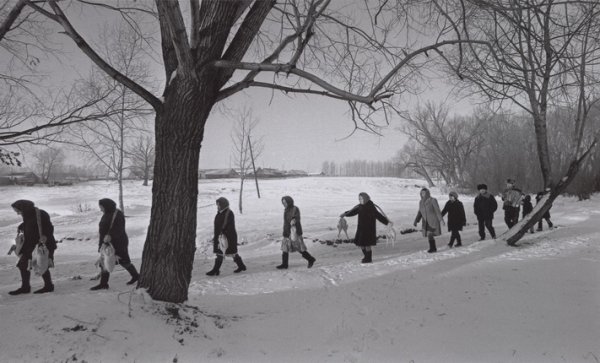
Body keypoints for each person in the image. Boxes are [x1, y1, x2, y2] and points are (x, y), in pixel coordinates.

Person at [9, 200, 57, 295]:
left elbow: (49, 227)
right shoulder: (27, 215)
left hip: (42, 244)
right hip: (30, 245)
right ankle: (26, 287)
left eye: (18, 210)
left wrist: (46, 236)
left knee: (41, 264)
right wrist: (21, 226)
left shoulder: (40, 214)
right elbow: (30, 225)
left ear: (23, 208)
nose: (18, 213)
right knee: (23, 265)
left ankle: (48, 286)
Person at [91, 198, 139, 290]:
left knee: (123, 261)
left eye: (101, 207)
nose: (100, 209)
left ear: (106, 206)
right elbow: (102, 232)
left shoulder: (118, 214)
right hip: (106, 243)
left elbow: (119, 229)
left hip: (119, 242)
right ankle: (104, 284)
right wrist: (101, 245)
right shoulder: (106, 214)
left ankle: (136, 276)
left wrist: (110, 236)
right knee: (105, 262)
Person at [340, 192, 391, 263]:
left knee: (367, 244)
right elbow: (353, 211)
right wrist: (345, 214)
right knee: (361, 244)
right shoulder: (360, 206)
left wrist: (387, 222)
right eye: (359, 199)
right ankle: (366, 257)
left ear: (365, 198)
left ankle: (368, 259)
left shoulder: (371, 207)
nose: (360, 200)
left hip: (369, 229)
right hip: (361, 228)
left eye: (361, 198)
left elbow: (379, 216)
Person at [206, 197, 246, 276]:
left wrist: (221, 232)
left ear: (223, 205)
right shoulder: (220, 212)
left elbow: (225, 224)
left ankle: (216, 270)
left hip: (228, 236)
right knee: (220, 252)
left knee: (230, 252)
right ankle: (241, 266)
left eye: (219, 205)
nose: (217, 206)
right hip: (221, 236)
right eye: (217, 205)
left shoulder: (228, 213)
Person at [277, 196, 316, 269]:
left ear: (289, 202)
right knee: (285, 248)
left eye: (285, 202)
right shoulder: (286, 210)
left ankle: (310, 259)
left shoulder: (295, 208)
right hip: (287, 231)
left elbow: (296, 217)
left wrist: (294, 220)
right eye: (283, 203)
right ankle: (284, 264)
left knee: (298, 248)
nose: (284, 204)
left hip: (294, 232)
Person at [413, 188, 444, 253]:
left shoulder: (433, 200)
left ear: (427, 193)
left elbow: (437, 210)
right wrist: (416, 220)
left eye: (424, 193)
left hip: (433, 220)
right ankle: (433, 248)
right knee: (429, 235)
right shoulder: (421, 202)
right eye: (421, 193)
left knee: (430, 234)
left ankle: (432, 248)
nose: (422, 194)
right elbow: (420, 212)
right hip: (426, 221)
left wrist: (441, 220)